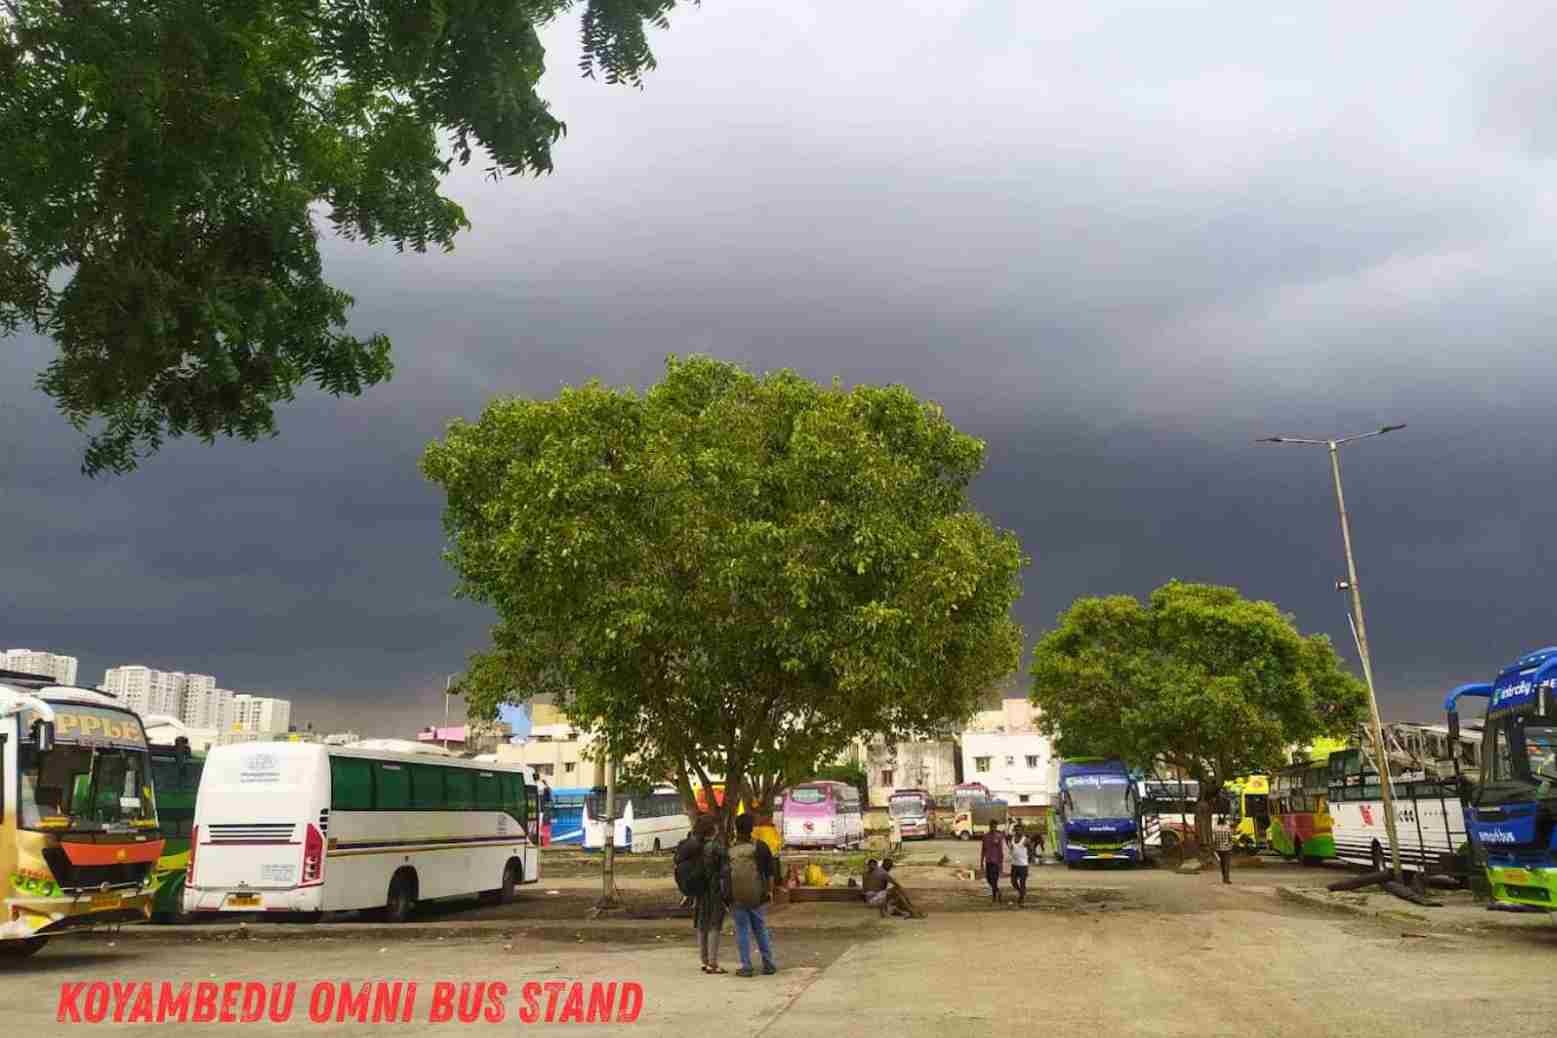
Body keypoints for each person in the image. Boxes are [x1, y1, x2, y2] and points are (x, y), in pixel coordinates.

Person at [722, 813, 777, 977]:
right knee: (760, 929)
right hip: (757, 895)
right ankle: (768, 964)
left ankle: (746, 966)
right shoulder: (761, 847)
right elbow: (770, 873)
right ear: (752, 828)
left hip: (736, 896)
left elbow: (725, 875)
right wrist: (769, 892)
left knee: (742, 930)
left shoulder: (730, 849)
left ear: (736, 829)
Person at [690, 815, 728, 975]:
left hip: (700, 890)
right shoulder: (715, 847)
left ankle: (704, 961)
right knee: (714, 925)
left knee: (702, 924)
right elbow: (726, 867)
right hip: (714, 890)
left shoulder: (695, 845)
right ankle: (713, 963)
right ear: (712, 829)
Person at [979, 820, 1005, 905]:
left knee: (994, 880)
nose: (993, 828)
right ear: (989, 826)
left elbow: (1001, 851)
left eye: (995, 826)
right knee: (988, 879)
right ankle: (998, 892)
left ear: (996, 827)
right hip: (988, 861)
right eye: (992, 826)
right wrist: (981, 862)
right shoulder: (985, 836)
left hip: (996, 862)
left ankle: (994, 897)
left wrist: (1001, 865)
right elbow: (983, 850)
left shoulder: (998, 837)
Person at [1008, 825, 1030, 906]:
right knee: (1013, 881)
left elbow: (1031, 848)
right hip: (1014, 864)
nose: (1018, 832)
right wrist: (1011, 850)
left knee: (1022, 882)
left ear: (1022, 831)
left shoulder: (1025, 840)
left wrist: (1029, 858)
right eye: (1016, 830)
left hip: (1023, 865)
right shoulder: (1013, 839)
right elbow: (1011, 848)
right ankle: (1021, 892)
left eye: (1020, 830)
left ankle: (1021, 898)